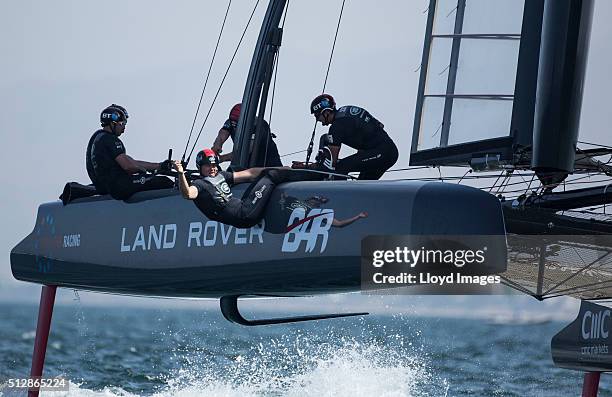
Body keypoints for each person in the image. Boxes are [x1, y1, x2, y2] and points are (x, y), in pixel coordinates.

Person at [173, 148, 298, 228]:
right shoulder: (200, 184)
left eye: (214, 165)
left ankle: (291, 200)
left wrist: (281, 169)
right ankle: (297, 180)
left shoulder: (221, 175)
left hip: (244, 208)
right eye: (207, 166)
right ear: (200, 167)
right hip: (244, 214)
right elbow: (188, 194)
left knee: (263, 176)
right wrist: (180, 173)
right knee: (270, 177)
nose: (212, 168)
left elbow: (249, 174)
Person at [293, 94, 398, 180]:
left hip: (382, 153)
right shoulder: (346, 111)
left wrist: (306, 167)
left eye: (317, 116)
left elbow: (331, 165)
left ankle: (336, 199)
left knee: (341, 168)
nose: (318, 120)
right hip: (387, 151)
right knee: (362, 186)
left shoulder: (336, 127)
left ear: (326, 112)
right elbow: (379, 125)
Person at [86, 104, 174, 200]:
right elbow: (129, 167)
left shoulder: (98, 137)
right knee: (164, 181)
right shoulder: (111, 139)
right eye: (122, 124)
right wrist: (142, 170)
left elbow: (131, 162)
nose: (124, 128)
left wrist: (159, 166)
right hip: (119, 186)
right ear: (113, 123)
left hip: (105, 186)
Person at [211, 103, 283, 167]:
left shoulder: (258, 125)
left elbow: (245, 151)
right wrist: (217, 145)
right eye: (232, 122)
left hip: (268, 164)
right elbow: (223, 133)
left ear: (246, 120)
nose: (234, 125)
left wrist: (222, 158)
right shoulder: (232, 121)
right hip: (245, 164)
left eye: (236, 123)